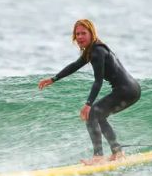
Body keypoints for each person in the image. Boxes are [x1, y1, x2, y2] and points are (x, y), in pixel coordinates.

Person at [38, 19, 141, 165]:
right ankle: (117, 152)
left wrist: (88, 104)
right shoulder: (93, 49)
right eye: (77, 34)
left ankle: (98, 157)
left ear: (91, 34)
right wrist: (53, 79)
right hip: (130, 89)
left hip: (126, 90)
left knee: (92, 113)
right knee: (99, 116)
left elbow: (98, 81)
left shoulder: (97, 51)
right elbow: (75, 65)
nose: (79, 37)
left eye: (83, 33)